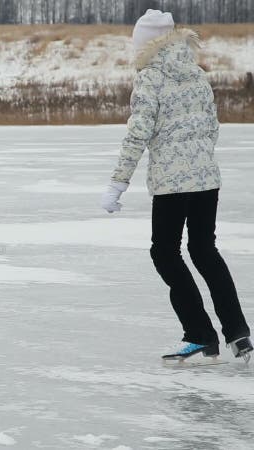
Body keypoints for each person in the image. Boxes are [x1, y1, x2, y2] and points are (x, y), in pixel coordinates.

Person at [101, 10, 251, 362]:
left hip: (172, 183)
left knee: (164, 252)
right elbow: (212, 127)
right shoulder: (198, 75)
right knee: (204, 251)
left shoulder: (150, 78)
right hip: (206, 180)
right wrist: (198, 161)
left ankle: (199, 333)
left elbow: (137, 134)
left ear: (145, 44)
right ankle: (238, 333)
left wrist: (117, 184)